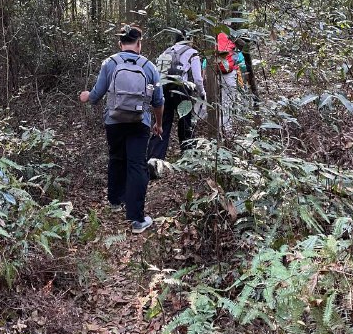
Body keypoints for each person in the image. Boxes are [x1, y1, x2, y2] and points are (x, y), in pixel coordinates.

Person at [79, 24, 163, 234]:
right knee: (136, 165)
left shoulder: (110, 63)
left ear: (120, 43)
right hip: (139, 122)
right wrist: (158, 123)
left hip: (113, 122)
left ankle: (116, 201)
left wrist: (86, 96)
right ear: (139, 44)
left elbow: (96, 95)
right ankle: (137, 219)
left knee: (116, 158)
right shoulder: (149, 66)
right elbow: (158, 100)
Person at [147, 29, 205, 175]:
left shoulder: (166, 52)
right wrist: (202, 92)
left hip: (164, 90)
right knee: (185, 122)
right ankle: (187, 158)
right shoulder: (192, 53)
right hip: (182, 89)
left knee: (162, 124)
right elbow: (198, 78)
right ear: (189, 39)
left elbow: (158, 76)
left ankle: (154, 161)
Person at [216, 32, 239, 135]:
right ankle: (226, 130)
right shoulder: (230, 42)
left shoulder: (214, 42)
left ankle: (217, 129)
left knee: (217, 102)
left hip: (215, 75)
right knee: (227, 103)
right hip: (229, 75)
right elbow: (237, 59)